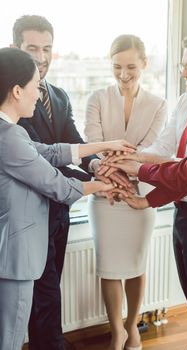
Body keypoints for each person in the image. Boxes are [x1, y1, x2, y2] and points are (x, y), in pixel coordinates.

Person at [107, 21, 187, 350]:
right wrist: (126, 157)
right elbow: (165, 154)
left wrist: (138, 171)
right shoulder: (183, 103)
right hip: (183, 207)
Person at [0, 47, 135, 350]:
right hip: (15, 257)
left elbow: (50, 151)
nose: (38, 93)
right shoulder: (7, 137)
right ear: (17, 90)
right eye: (35, 86)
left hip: (17, 254)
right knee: (8, 339)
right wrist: (105, 185)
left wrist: (104, 145)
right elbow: (56, 185)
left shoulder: (12, 133)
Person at [84, 34, 167, 350]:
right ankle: (116, 329)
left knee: (136, 264)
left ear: (145, 64)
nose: (123, 74)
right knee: (110, 265)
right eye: (117, 66)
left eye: (131, 66)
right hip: (105, 195)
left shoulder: (158, 105)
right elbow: (94, 143)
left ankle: (132, 327)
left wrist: (116, 160)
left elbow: (150, 150)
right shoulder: (97, 98)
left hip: (141, 196)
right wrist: (113, 165)